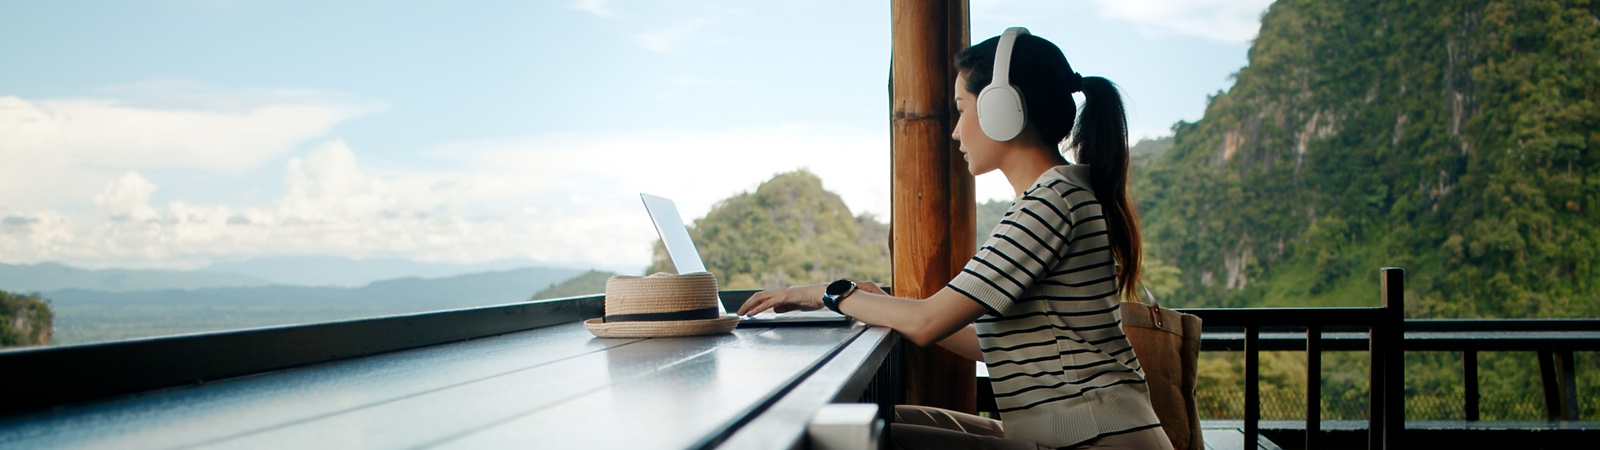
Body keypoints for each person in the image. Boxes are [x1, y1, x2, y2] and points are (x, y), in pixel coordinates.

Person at [737, 28, 1170, 450]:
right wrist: (874, 301)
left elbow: (928, 322)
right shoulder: (1061, 193)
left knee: (861, 436)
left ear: (1003, 109)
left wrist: (830, 294)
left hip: (1093, 437)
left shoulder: (1051, 202)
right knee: (888, 422)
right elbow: (990, 341)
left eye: (962, 108)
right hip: (1079, 430)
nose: (956, 130)